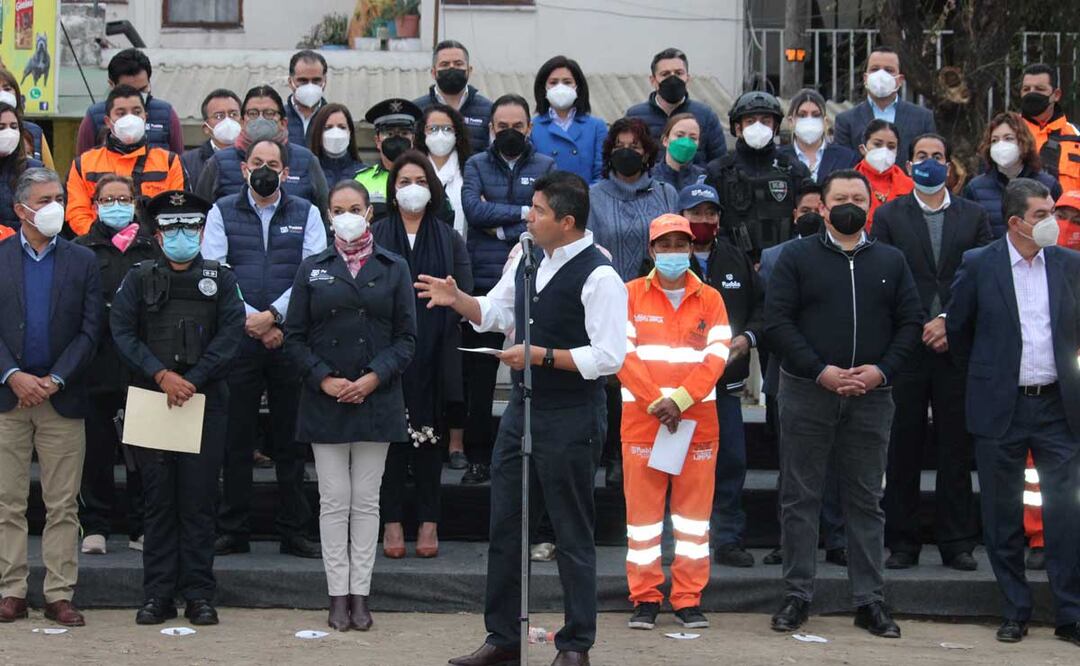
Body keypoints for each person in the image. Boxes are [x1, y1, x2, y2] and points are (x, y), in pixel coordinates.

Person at [420, 170, 627, 666]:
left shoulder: (600, 275)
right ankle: (503, 638)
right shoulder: (526, 256)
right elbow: (494, 311)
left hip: (572, 413)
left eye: (537, 211)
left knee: (571, 529)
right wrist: (460, 301)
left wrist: (538, 356)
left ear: (567, 221)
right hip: (522, 409)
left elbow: (608, 357)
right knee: (507, 524)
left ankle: (576, 644)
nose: (527, 217)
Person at [765, 168, 922, 638]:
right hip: (807, 391)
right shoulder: (796, 256)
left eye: (858, 196)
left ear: (871, 203)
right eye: (840, 197)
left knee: (866, 500)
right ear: (824, 206)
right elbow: (777, 322)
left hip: (873, 396)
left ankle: (870, 601)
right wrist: (820, 370)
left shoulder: (892, 261)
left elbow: (911, 323)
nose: (849, 203)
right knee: (800, 498)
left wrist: (881, 371)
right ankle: (797, 595)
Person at [945, 178, 1080, 647]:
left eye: (1054, 212)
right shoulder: (979, 264)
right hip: (1000, 407)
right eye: (1043, 215)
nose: (1054, 223)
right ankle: (1015, 610)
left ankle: (1070, 613)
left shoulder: (1069, 265)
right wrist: (989, 375)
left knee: (1066, 515)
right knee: (1002, 517)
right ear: (1016, 222)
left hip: (1059, 409)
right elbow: (958, 331)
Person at [285, 179, 417, 632]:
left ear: (369, 213)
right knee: (333, 501)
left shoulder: (394, 266)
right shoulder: (312, 268)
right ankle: (336, 595)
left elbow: (406, 338)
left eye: (354, 208)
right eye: (338, 208)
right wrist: (323, 378)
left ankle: (361, 594)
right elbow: (294, 336)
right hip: (326, 401)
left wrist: (373, 377)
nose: (346, 215)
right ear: (328, 214)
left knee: (366, 502)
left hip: (376, 398)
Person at [110, 190, 243, 626]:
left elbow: (230, 334)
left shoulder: (221, 278)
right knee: (158, 502)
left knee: (199, 501)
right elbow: (123, 332)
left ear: (202, 230)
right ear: (158, 233)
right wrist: (161, 375)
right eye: (171, 227)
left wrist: (193, 379)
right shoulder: (138, 276)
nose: (181, 234)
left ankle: (200, 595)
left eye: (189, 226)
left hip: (203, 401)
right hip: (154, 400)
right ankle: (158, 595)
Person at [871, 134, 992, 571]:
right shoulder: (888, 216)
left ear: (949, 164)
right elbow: (883, 274)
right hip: (906, 346)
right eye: (921, 156)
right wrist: (921, 322)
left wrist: (947, 323)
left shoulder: (974, 216)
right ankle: (902, 541)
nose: (929, 163)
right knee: (902, 446)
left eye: (937, 156)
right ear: (909, 163)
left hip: (957, 347)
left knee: (955, 449)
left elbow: (980, 275)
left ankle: (956, 541)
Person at [201, 138, 327, 559]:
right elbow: (215, 271)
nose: (265, 169)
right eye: (258, 162)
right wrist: (253, 320)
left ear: (287, 172)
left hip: (290, 340)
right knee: (235, 439)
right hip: (238, 339)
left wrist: (273, 317)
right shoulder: (220, 211)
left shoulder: (307, 213)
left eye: (274, 163)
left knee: (291, 441)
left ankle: (294, 530)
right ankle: (233, 528)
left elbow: (312, 271)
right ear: (243, 168)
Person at [0, 168, 101, 627]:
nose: (55, 206)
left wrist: (57, 378)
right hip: (9, 398)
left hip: (63, 397)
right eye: (44, 199)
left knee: (63, 502)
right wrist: (12, 375)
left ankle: (59, 593)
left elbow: (90, 330)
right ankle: (11, 590)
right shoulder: (0, 256)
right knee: (8, 500)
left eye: (59, 196)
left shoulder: (82, 261)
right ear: (21, 209)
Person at [619, 214, 729, 631]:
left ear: (691, 249)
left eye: (680, 245)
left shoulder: (712, 299)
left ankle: (687, 598)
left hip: (696, 422)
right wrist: (658, 402)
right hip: (644, 422)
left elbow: (717, 358)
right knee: (643, 519)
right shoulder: (630, 295)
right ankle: (644, 598)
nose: (672, 253)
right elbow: (622, 356)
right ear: (651, 251)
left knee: (693, 520)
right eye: (664, 246)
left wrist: (679, 400)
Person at [373, 151, 472, 560]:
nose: (410, 189)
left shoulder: (449, 236)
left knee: (429, 442)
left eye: (419, 181)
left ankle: (429, 522)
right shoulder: (376, 232)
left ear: (431, 190)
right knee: (391, 442)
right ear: (392, 191)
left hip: (435, 350)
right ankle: (392, 522)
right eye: (402, 182)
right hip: (385, 350)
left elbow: (464, 290)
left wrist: (448, 297)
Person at [459, 94, 555, 486]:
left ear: (529, 128)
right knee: (478, 378)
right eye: (502, 127)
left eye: (517, 126)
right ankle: (479, 458)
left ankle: (532, 459)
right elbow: (473, 211)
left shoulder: (546, 165)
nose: (509, 133)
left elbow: (543, 219)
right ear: (490, 128)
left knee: (531, 374)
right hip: (483, 280)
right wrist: (519, 215)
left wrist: (498, 224)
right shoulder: (476, 163)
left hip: (533, 280)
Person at [758, 182, 848, 567]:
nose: (812, 214)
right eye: (805, 209)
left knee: (839, 465)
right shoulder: (775, 257)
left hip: (841, 374)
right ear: (795, 216)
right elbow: (773, 321)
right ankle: (790, 539)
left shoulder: (854, 256)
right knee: (792, 467)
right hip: (790, 374)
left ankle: (838, 537)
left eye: (818, 207)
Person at [677, 185, 764, 568]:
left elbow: (762, 308)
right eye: (695, 213)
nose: (703, 221)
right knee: (676, 466)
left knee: (730, 462)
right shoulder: (665, 258)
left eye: (711, 214)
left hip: (725, 387)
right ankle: (678, 542)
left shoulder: (735, 258)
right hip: (677, 388)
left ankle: (727, 538)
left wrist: (746, 339)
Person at [74, 175, 157, 556]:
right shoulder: (79, 250)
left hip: (142, 366)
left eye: (123, 198)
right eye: (108, 199)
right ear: (95, 204)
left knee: (143, 453)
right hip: (95, 366)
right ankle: (96, 525)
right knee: (97, 452)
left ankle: (141, 525)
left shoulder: (152, 249)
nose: (116, 205)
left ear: (135, 202)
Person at [66, 85, 186, 236]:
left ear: (145, 117)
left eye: (136, 112)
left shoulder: (169, 162)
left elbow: (176, 210)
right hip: (98, 249)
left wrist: (150, 239)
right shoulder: (83, 164)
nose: (130, 119)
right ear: (108, 122)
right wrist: (102, 239)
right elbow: (77, 212)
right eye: (121, 113)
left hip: (152, 249)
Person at [705, 91, 810, 261]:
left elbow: (806, 218)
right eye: (750, 121)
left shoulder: (794, 170)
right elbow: (712, 222)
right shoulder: (718, 171)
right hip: (733, 263)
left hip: (785, 263)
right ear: (738, 128)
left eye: (766, 121)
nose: (758, 126)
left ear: (775, 128)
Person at [195, 85, 329, 216]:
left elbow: (325, 215)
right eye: (253, 113)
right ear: (242, 121)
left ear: (283, 122)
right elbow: (200, 217)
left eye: (269, 113)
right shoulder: (219, 163)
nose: (260, 119)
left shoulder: (305, 160)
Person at [588, 116, 678, 282]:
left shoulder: (666, 194)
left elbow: (677, 247)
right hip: (610, 293)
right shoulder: (592, 197)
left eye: (634, 146)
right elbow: (589, 252)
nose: (626, 152)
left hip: (659, 294)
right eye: (619, 146)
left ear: (646, 154)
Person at [833, 46, 936, 168]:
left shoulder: (923, 118)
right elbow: (843, 167)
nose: (881, 75)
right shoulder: (845, 121)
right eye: (875, 69)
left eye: (889, 70)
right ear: (865, 78)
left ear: (900, 80)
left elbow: (929, 161)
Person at [963, 111, 1063, 238]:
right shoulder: (975, 188)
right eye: (994, 140)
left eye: (1008, 138)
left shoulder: (1048, 184)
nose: (1001, 145)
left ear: (1023, 142)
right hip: (992, 256)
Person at [626, 48, 726, 165]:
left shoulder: (705, 115)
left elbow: (719, 163)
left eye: (679, 73)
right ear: (653, 80)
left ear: (687, 78)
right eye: (665, 74)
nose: (672, 79)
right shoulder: (634, 117)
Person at [75, 48, 184, 156]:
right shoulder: (95, 116)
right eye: (128, 91)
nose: (136, 97)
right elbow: (83, 165)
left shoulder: (166, 114)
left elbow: (180, 161)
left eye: (142, 89)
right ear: (112, 85)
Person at [529, 55, 607, 185]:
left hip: (586, 201)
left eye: (567, 82)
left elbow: (602, 173)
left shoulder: (596, 127)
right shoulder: (532, 127)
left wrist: (585, 197)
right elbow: (530, 174)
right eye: (553, 82)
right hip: (547, 201)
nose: (560, 87)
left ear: (577, 86)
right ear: (544, 88)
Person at [414, 40, 492, 154]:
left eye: (458, 64)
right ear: (433, 72)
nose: (452, 68)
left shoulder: (488, 110)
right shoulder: (416, 110)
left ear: (469, 71)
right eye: (444, 64)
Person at [355, 98, 424, 220]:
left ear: (412, 139)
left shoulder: (426, 178)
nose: (397, 139)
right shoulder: (360, 181)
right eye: (390, 134)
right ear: (377, 140)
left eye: (404, 133)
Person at [1019, 62, 1079, 193]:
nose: (1031, 94)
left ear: (1056, 95)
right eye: (1026, 89)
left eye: (1039, 89)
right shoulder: (1006, 135)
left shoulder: (1076, 137)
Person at [780, 88, 859, 183]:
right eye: (802, 115)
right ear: (791, 122)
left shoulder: (847, 158)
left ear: (825, 122)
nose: (809, 120)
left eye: (816, 115)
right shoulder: (778, 158)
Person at [416, 104, 472, 238]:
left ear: (457, 132)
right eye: (433, 129)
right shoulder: (413, 167)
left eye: (447, 129)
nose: (440, 134)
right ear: (423, 132)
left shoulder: (470, 168)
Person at [852, 119, 913, 231]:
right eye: (877, 144)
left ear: (897, 151)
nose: (884, 150)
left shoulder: (911, 188)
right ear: (862, 149)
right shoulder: (847, 185)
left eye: (891, 146)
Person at [181, 89, 243, 189]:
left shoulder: (253, 158)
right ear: (206, 128)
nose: (228, 120)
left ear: (242, 120)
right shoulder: (188, 162)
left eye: (233, 114)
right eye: (219, 116)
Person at [0, 101, 43, 229]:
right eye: (1, 127)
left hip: (22, 244)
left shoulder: (34, 170)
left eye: (14, 126)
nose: (9, 133)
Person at [0, 68, 54, 167]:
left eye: (7, 89)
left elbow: (49, 173)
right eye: (1, 127)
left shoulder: (34, 132)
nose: (2, 94)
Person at [308, 103, 366, 186]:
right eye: (328, 127)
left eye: (342, 127)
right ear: (319, 134)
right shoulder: (308, 174)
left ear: (349, 133)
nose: (335, 133)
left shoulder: (364, 172)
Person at [651, 113, 707, 191]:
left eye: (693, 138)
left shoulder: (704, 179)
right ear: (665, 140)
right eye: (679, 136)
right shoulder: (649, 177)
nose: (686, 142)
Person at [286, 50, 329, 146]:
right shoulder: (278, 118)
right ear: (290, 82)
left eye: (316, 80)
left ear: (325, 81)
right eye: (303, 80)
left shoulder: (334, 119)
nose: (310, 86)